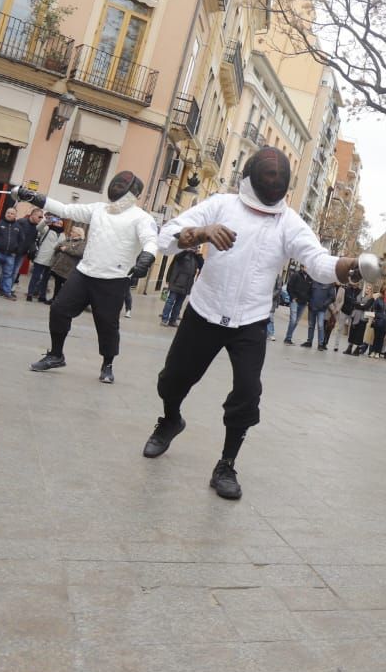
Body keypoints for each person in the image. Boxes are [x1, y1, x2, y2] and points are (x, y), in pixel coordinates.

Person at [141, 147, 371, 500]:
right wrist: (202, 232)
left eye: (279, 178)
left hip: (251, 320)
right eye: (268, 175)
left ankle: (227, 465)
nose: (273, 179)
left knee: (248, 394)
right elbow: (166, 238)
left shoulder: (289, 222)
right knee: (172, 381)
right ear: (250, 177)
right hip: (204, 310)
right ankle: (170, 420)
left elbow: (318, 261)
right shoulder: (221, 204)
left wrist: (349, 265)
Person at [19, 170, 157, 385]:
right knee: (58, 309)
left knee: (107, 325)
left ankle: (107, 364)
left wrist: (146, 258)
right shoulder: (98, 209)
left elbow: (150, 240)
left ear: (133, 191)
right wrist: (35, 197)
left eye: (122, 185)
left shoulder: (141, 217)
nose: (116, 187)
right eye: (116, 183)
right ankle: (56, 355)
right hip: (84, 273)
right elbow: (65, 209)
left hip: (114, 279)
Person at [0, 205, 29, 299]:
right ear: (5, 214)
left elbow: (22, 240)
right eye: (8, 213)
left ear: (15, 215)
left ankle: (7, 292)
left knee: (8, 274)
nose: (9, 215)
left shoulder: (18, 227)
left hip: (10, 255)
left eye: (12, 213)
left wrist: (16, 252)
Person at [160, 246, 204, 326]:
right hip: (176, 282)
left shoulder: (196, 257)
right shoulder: (181, 253)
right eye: (194, 246)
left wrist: (199, 255)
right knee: (170, 301)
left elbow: (202, 266)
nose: (194, 248)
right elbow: (176, 259)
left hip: (187, 285)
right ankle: (164, 319)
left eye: (196, 247)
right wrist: (185, 250)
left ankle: (173, 321)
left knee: (179, 304)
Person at [28, 215, 64, 303]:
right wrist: (46, 221)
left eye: (61, 223)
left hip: (52, 260)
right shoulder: (47, 229)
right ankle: (30, 294)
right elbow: (38, 227)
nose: (59, 224)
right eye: (57, 222)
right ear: (53, 222)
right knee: (35, 277)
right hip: (41, 257)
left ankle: (42, 296)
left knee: (45, 279)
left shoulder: (63, 234)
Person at [303, 275, 337, 350]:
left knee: (320, 326)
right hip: (312, 307)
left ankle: (320, 344)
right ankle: (309, 342)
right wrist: (310, 302)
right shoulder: (314, 281)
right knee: (311, 325)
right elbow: (308, 293)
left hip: (321, 309)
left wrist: (324, 304)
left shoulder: (329, 283)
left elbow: (332, 297)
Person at [282, 264, 313, 344]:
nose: (308, 268)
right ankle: (288, 338)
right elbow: (289, 286)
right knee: (293, 320)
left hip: (303, 303)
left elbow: (311, 291)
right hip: (295, 301)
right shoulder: (296, 275)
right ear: (302, 267)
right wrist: (293, 297)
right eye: (306, 267)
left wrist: (307, 299)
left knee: (296, 321)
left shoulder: (310, 278)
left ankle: (288, 337)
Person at [368, 283, 386, 357]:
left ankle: (378, 352)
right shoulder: (379, 299)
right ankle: (373, 352)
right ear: (383, 290)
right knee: (376, 337)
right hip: (378, 321)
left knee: (382, 338)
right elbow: (374, 309)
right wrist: (378, 316)